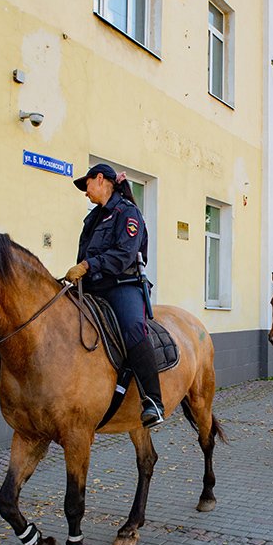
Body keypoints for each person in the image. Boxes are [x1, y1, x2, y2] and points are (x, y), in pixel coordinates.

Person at [64, 163, 164, 427]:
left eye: (86, 185)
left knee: (133, 328)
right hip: (92, 286)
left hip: (122, 284)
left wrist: (87, 266)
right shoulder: (92, 218)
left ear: (100, 179)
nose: (85, 193)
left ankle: (153, 400)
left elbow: (124, 255)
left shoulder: (128, 213)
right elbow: (84, 254)